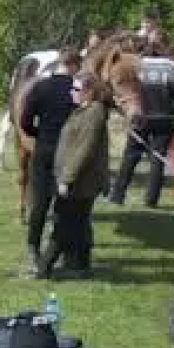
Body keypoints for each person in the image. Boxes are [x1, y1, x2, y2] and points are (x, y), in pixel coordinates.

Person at [42, 73, 112, 279]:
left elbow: (84, 149)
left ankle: (45, 266)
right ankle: (81, 266)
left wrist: (67, 179)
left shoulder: (94, 113)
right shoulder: (84, 110)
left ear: (89, 91)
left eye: (77, 89)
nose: (72, 92)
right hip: (77, 179)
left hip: (80, 181)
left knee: (64, 222)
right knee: (80, 223)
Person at [18, 49, 80, 277]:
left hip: (43, 148)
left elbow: (24, 121)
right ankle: (60, 251)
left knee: (40, 203)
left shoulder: (40, 87)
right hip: (69, 151)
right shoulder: (77, 89)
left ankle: (33, 245)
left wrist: (39, 132)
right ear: (73, 65)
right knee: (65, 205)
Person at [108, 50, 174, 207]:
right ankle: (151, 199)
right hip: (165, 118)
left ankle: (117, 194)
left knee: (130, 156)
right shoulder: (173, 67)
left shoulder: (135, 66)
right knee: (158, 158)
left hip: (141, 116)